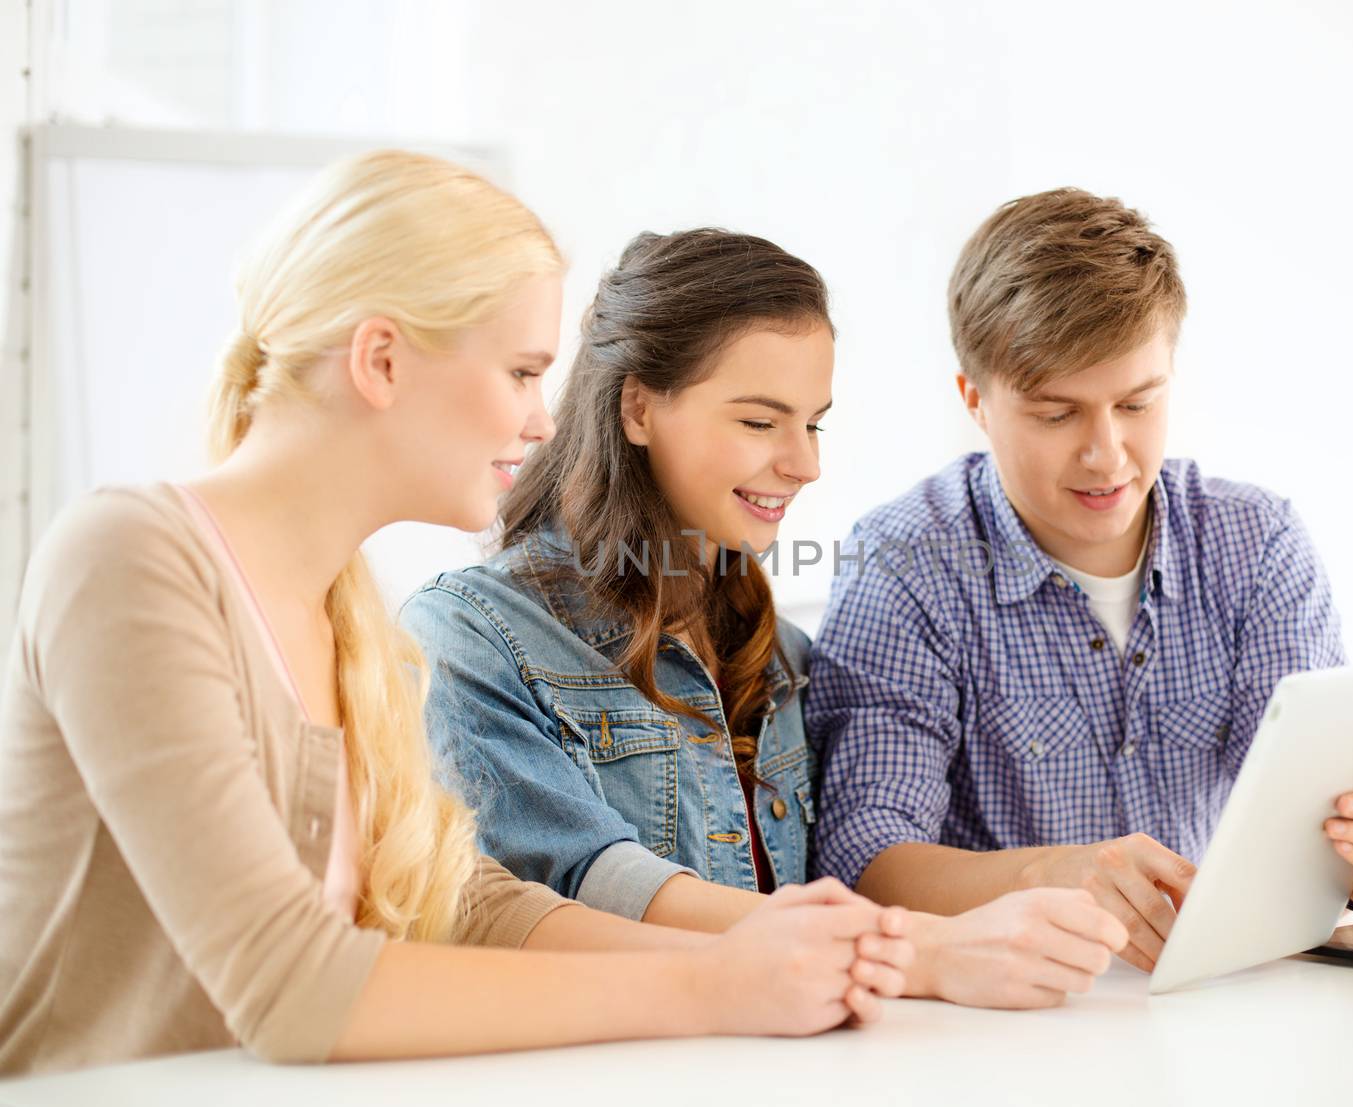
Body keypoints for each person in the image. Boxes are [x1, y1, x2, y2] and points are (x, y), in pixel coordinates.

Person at [0, 151, 915, 1076]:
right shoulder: (128, 558)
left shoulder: (350, 615)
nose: (545, 422)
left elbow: (467, 900)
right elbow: (293, 984)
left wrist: (755, 959)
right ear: (382, 360)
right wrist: (711, 987)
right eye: (521, 372)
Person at [400, 228, 1129, 1011]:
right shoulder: (469, 635)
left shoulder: (782, 657)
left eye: (812, 423)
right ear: (638, 406)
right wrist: (912, 950)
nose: (805, 463)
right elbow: (586, 881)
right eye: (760, 422)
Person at [806, 188, 1353, 973]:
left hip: (1222, 995)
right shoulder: (905, 562)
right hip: (1003, 1023)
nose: (1107, 453)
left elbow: (1306, 827)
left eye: (1138, 402)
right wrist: (1048, 874)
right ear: (974, 399)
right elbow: (862, 857)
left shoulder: (1256, 544)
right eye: (1055, 414)